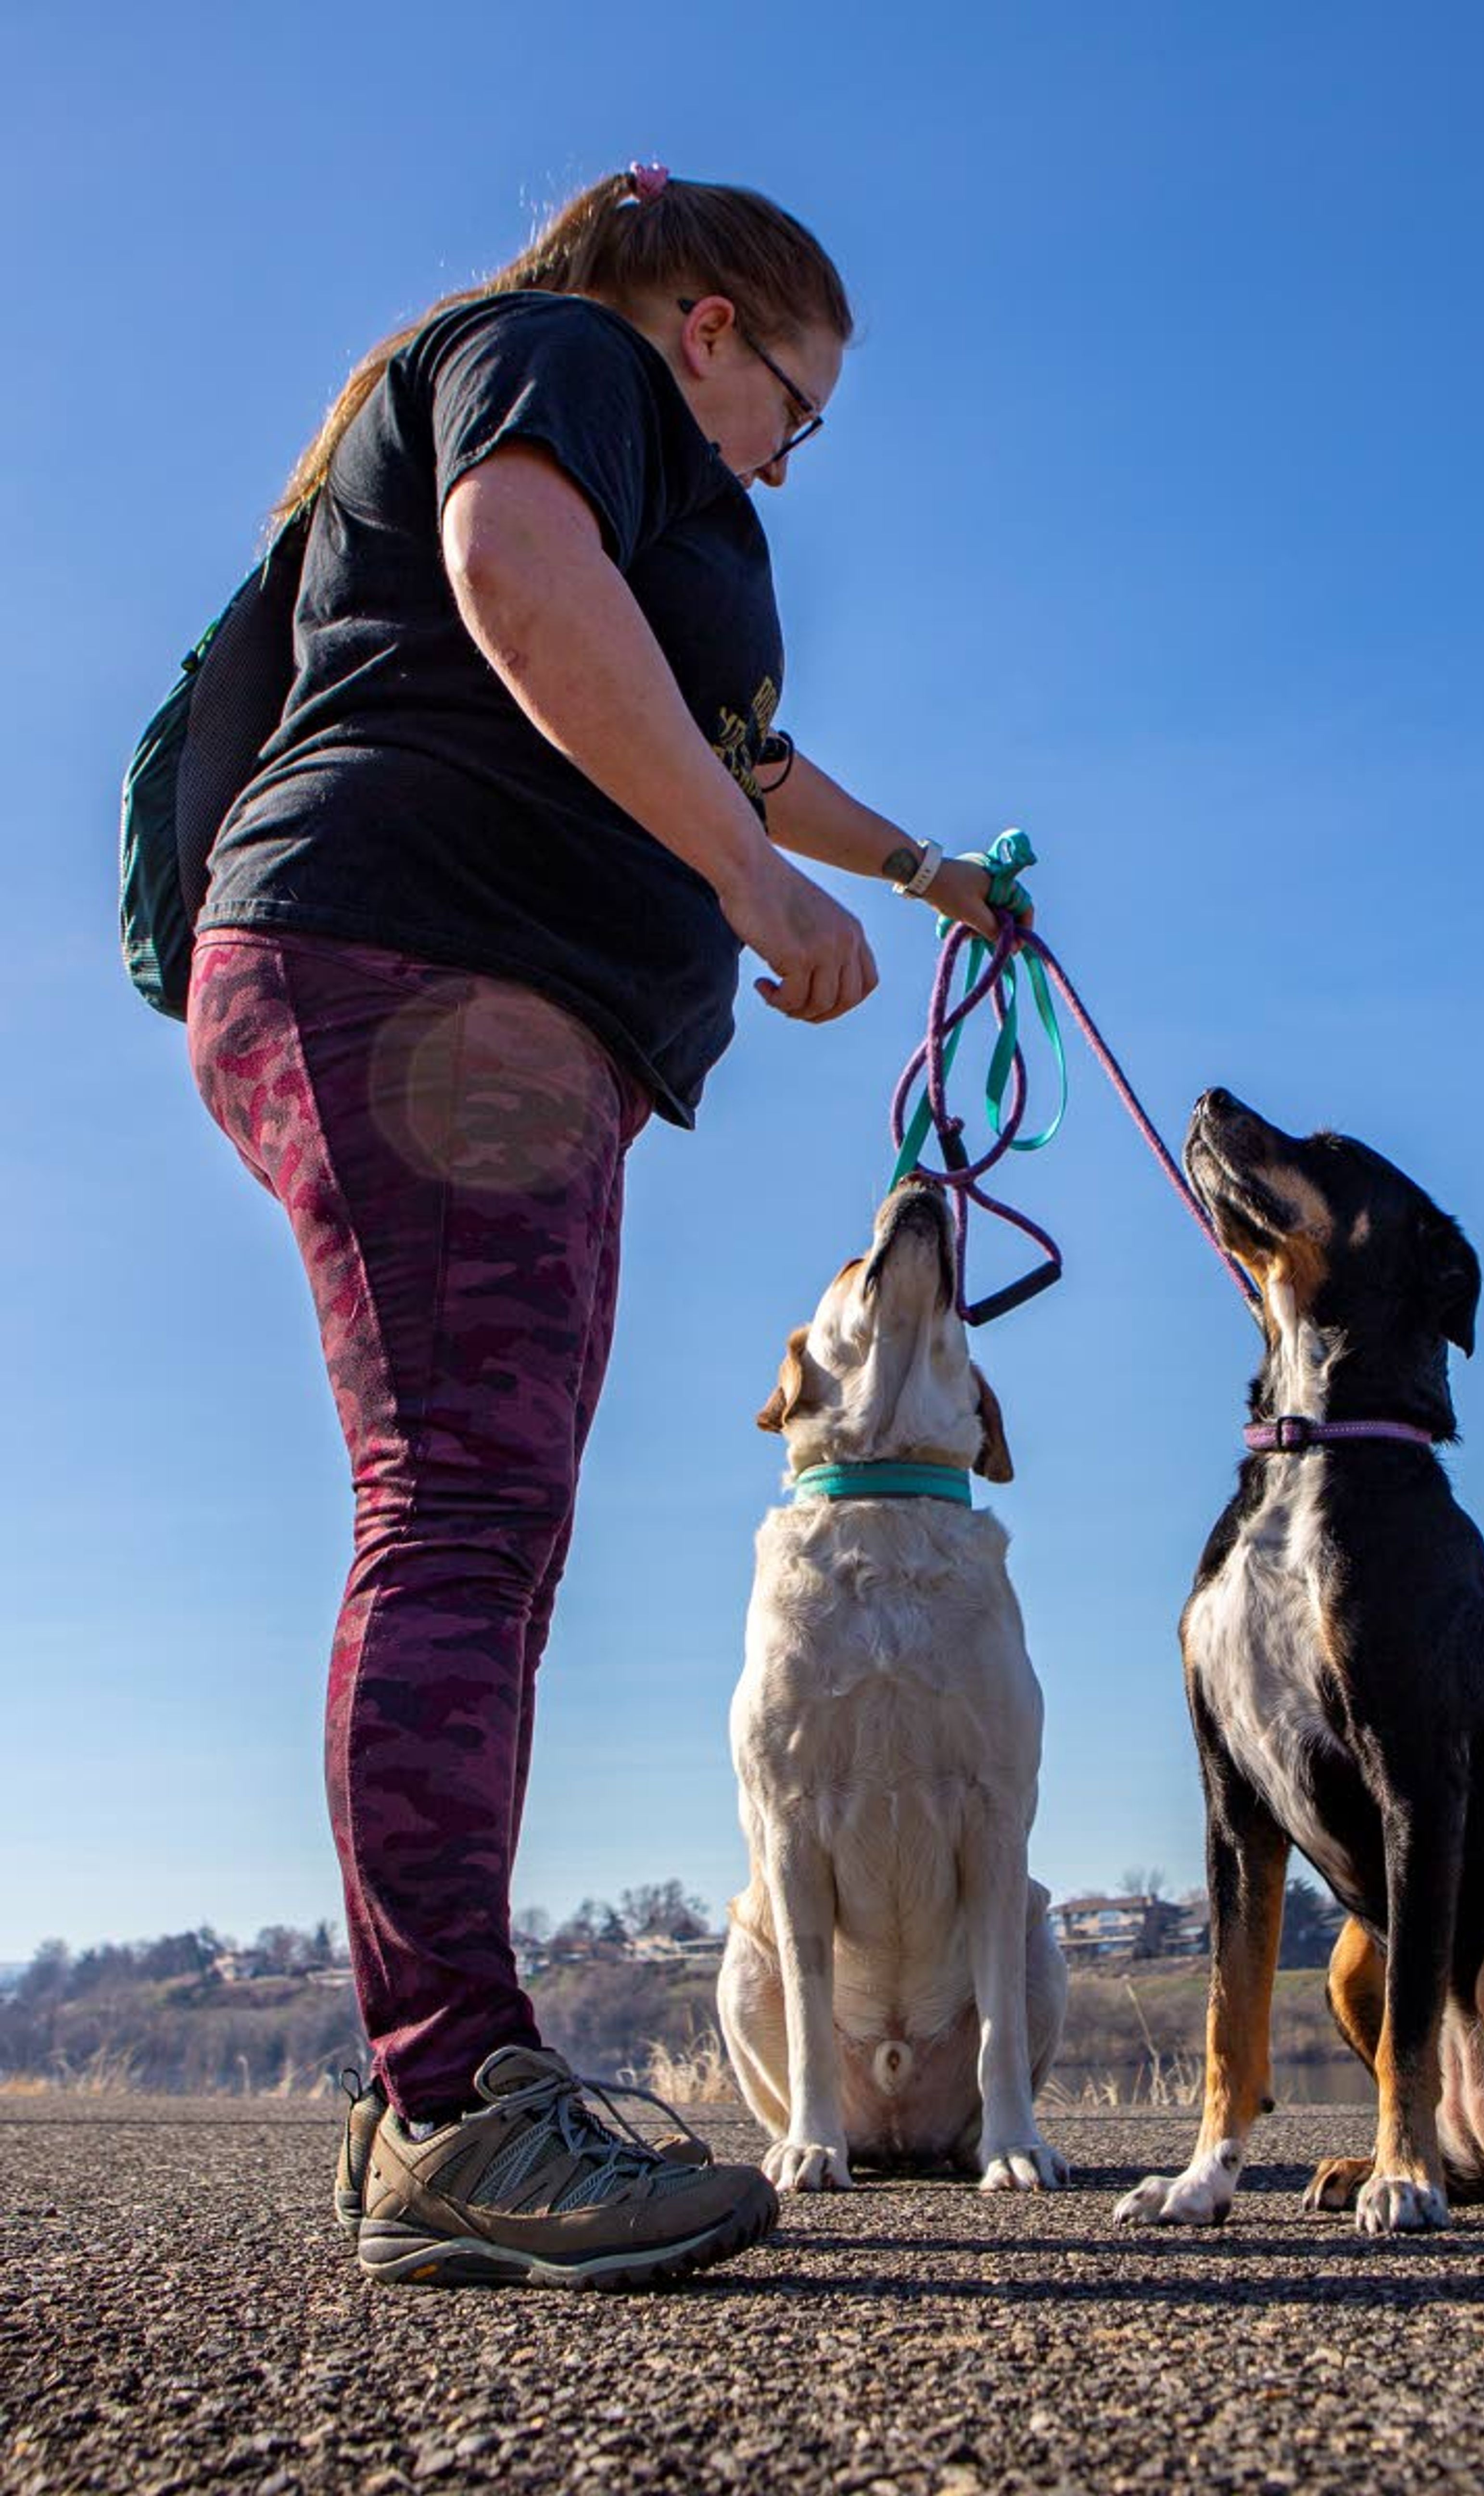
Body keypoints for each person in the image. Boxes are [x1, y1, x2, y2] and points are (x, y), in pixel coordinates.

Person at [186, 162, 1000, 2291]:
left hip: (471, 988)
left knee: (491, 1521)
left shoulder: (625, 437)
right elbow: (518, 570)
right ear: (711, 326)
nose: (784, 461)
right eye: (793, 411)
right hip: (423, 962)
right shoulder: (569, 362)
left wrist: (915, 870)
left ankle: (449, 2099)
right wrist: (745, 880)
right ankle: (452, 2098)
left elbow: (738, 733)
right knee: (459, 1509)